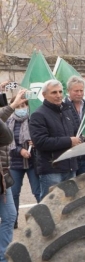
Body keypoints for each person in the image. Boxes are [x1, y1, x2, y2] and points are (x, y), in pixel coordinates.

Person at [29, 79, 81, 196]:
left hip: (70, 166)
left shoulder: (68, 111)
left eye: (60, 92)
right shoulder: (38, 115)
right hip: (51, 168)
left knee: (70, 204)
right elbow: (40, 142)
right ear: (44, 95)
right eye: (54, 92)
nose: (58, 95)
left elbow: (77, 132)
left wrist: (79, 140)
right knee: (50, 206)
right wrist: (69, 141)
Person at [6, 89, 41, 229]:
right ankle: (13, 221)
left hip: (33, 163)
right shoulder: (8, 122)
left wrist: (35, 143)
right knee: (14, 193)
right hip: (15, 164)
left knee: (38, 191)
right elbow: (7, 143)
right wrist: (20, 151)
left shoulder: (34, 120)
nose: (22, 108)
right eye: (19, 106)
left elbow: (41, 137)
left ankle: (43, 219)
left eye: (24, 105)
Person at [0, 87, 24, 261]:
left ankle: (2, 255)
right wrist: (12, 106)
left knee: (10, 216)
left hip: (2, 176)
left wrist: (12, 105)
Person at [63, 76, 85, 175]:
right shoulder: (62, 107)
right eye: (76, 91)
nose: (79, 94)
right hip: (70, 157)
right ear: (68, 90)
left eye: (81, 91)